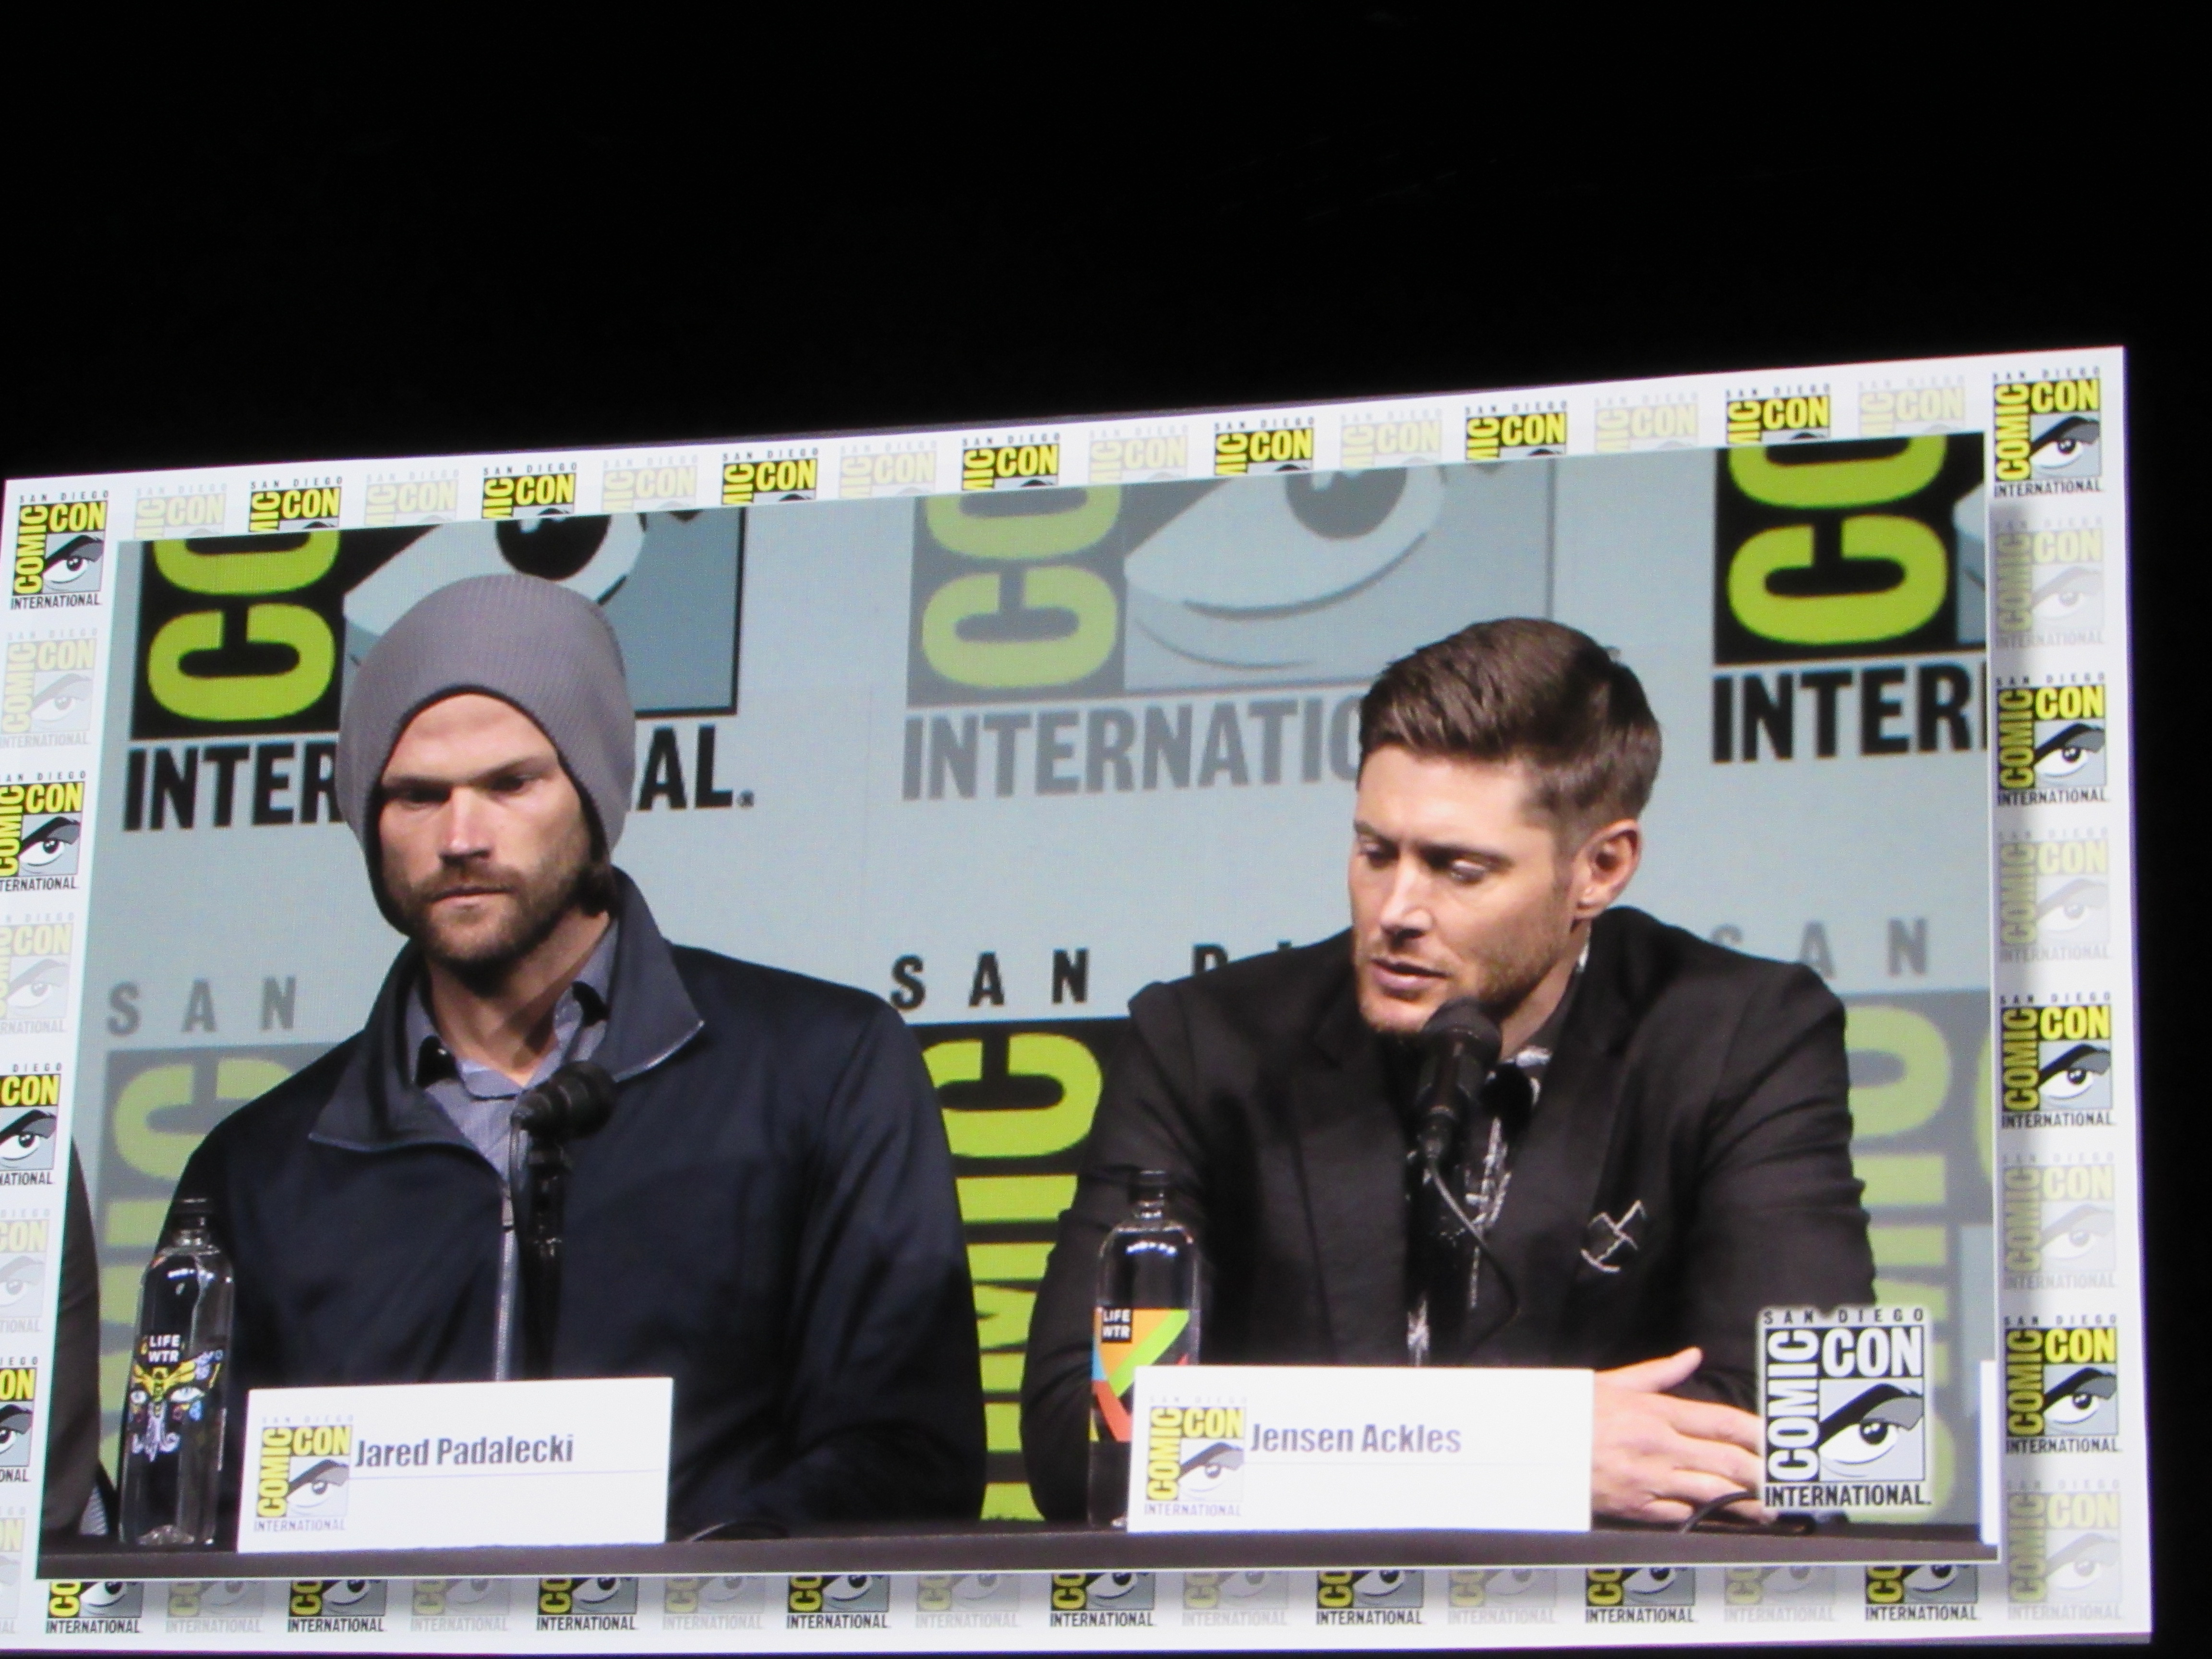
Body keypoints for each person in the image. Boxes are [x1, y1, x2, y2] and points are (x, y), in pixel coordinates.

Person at [175, 574, 983, 1536]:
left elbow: (905, 1453)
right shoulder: (258, 1169)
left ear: (594, 797)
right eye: (417, 796)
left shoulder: (822, 1070)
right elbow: (186, 1519)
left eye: (510, 784)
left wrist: (652, 1596)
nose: (461, 837)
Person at [1022, 617, 1874, 1525]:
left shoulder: (1744, 1036)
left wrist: (1318, 1454)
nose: (1396, 910)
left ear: (1600, 868)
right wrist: (1529, 1454)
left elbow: (1819, 1438)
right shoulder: (1205, 1045)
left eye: (1458, 869)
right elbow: (1082, 1438)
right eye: (1375, 852)